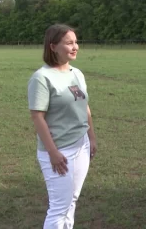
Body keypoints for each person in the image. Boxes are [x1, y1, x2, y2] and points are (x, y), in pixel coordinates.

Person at [27, 24, 97, 229]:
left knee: (71, 201)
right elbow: (37, 117)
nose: (75, 47)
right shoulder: (41, 78)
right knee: (59, 207)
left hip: (81, 145)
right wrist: (53, 153)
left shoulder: (77, 73)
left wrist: (91, 137)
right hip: (59, 151)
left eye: (76, 42)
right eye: (69, 43)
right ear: (53, 46)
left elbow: (85, 107)